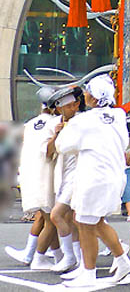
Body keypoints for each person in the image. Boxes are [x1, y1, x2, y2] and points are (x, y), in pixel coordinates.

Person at [55, 74, 130, 288]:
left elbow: (63, 146)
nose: (86, 94)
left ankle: (88, 274)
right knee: (91, 221)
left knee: (87, 224)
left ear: (96, 97)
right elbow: (124, 141)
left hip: (94, 178)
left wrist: (64, 129)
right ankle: (122, 260)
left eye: (89, 91)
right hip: (113, 176)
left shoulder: (83, 121)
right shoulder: (119, 115)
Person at [5, 86, 59, 268]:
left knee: (43, 217)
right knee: (51, 219)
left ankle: (36, 254)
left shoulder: (29, 125)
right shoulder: (57, 123)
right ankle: (39, 257)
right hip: (49, 175)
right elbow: (53, 151)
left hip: (31, 175)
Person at [48, 87, 84, 273]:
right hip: (63, 177)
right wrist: (56, 134)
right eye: (63, 107)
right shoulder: (58, 125)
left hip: (78, 176)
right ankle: (79, 259)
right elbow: (48, 151)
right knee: (74, 219)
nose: (68, 110)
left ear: (77, 105)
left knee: (57, 215)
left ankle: (69, 257)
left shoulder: (82, 122)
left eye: (70, 106)